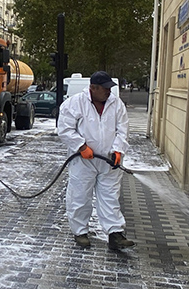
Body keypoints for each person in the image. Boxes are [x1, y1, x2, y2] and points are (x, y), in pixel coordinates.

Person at [57, 71, 133, 250]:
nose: (108, 92)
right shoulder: (75, 103)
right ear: (93, 88)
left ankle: (115, 234)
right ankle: (80, 232)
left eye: (109, 88)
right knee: (80, 195)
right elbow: (65, 129)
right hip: (83, 161)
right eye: (105, 88)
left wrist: (118, 151)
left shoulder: (116, 104)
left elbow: (123, 129)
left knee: (110, 197)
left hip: (108, 160)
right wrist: (81, 146)